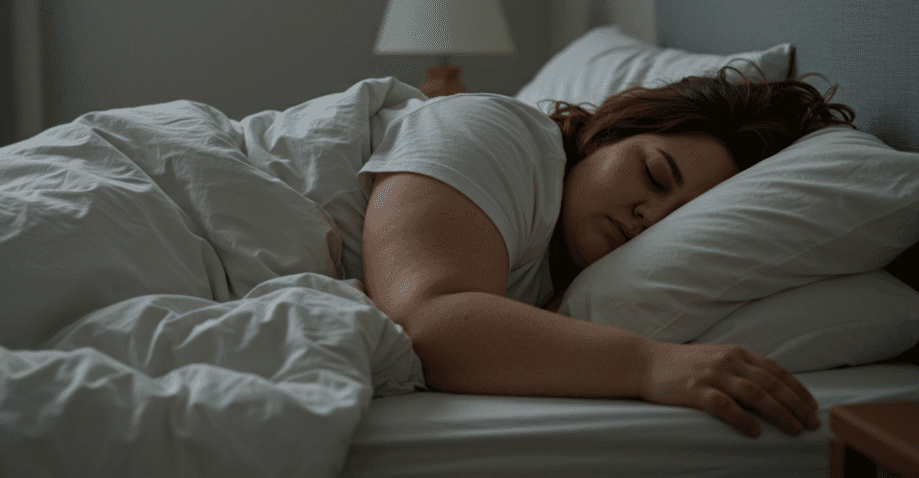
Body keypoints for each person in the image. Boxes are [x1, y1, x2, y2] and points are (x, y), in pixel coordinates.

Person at [360, 65, 856, 439]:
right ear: (610, 132)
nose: (651, 219)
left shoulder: (558, 271)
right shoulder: (494, 129)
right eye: (656, 176)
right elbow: (426, 323)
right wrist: (649, 365)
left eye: (679, 221)